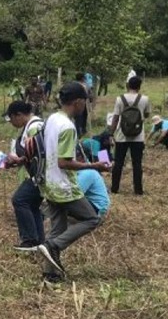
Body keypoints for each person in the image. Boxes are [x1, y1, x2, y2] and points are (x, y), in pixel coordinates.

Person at [35, 82, 111, 283]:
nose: (84, 106)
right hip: (64, 186)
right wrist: (94, 166)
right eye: (85, 102)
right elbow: (64, 162)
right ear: (78, 102)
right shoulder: (68, 127)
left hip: (48, 183)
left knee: (57, 228)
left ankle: (50, 273)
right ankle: (54, 247)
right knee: (92, 219)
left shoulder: (52, 119)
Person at [4, 101, 45, 251]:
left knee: (19, 200)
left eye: (12, 119)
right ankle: (39, 242)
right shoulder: (30, 126)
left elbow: (40, 153)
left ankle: (29, 240)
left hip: (40, 175)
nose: (12, 123)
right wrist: (18, 161)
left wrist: (20, 160)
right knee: (32, 205)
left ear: (19, 115)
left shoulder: (35, 127)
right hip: (37, 174)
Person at [108, 75, 150, 195]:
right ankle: (138, 190)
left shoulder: (120, 99)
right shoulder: (145, 99)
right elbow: (146, 115)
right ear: (139, 87)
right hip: (138, 136)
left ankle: (115, 188)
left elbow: (115, 118)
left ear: (128, 85)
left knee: (118, 163)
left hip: (122, 136)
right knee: (137, 163)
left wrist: (111, 133)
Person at [73, 73, 90, 137]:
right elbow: (86, 93)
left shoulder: (75, 84)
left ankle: (82, 129)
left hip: (79, 102)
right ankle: (79, 131)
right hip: (81, 102)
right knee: (79, 117)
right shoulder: (83, 85)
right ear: (82, 78)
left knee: (83, 116)